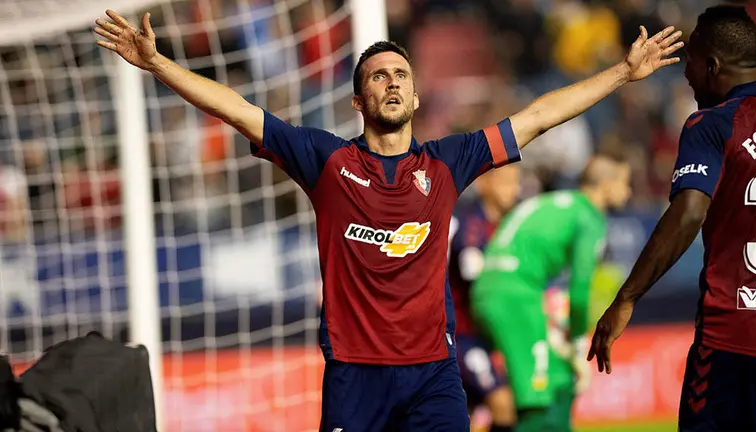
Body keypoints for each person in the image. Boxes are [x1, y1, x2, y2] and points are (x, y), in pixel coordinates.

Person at [93, 9, 682, 431]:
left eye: (401, 74)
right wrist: (158, 65)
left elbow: (537, 116)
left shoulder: (449, 162)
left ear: (417, 96)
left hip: (433, 375)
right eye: (378, 76)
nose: (391, 82)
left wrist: (622, 75)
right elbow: (241, 111)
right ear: (358, 101)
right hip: (355, 378)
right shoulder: (327, 160)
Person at [588, 5, 756, 431]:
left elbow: (688, 212)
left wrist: (627, 297)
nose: (685, 76)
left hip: (733, 343)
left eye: (689, 64)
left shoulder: (712, 124)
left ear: (712, 65)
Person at [471, 152, 632, 432]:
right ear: (606, 185)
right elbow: (580, 291)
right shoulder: (589, 217)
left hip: (491, 289)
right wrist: (579, 342)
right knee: (541, 393)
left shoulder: (553, 203)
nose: (628, 192)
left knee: (543, 379)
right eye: (624, 183)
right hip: (515, 294)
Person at [448, 164, 521, 432]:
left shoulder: (509, 226)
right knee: (503, 406)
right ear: (485, 184)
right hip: (462, 339)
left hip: (486, 338)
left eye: (516, 182)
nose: (514, 190)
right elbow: (472, 273)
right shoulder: (471, 227)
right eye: (506, 182)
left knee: (463, 418)